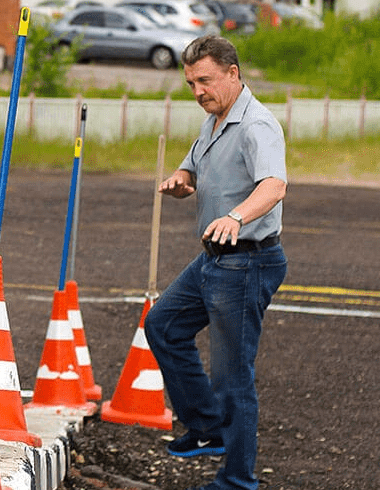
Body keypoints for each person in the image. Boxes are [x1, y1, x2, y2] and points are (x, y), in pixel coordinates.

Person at [144, 35, 287, 490]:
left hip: (248, 262)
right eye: (191, 83)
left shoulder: (256, 126)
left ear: (232, 73)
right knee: (163, 326)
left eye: (204, 80)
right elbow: (193, 168)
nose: (197, 91)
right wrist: (181, 180)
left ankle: (238, 481)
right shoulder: (214, 120)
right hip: (213, 258)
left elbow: (274, 186)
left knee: (232, 377)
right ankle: (207, 429)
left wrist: (236, 215)